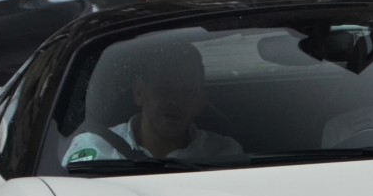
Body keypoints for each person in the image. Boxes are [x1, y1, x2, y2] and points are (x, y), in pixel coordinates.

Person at [64, 39, 242, 165]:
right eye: (165, 89)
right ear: (140, 93)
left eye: (188, 91)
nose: (174, 101)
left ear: (200, 102)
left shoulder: (223, 154)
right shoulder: (94, 147)